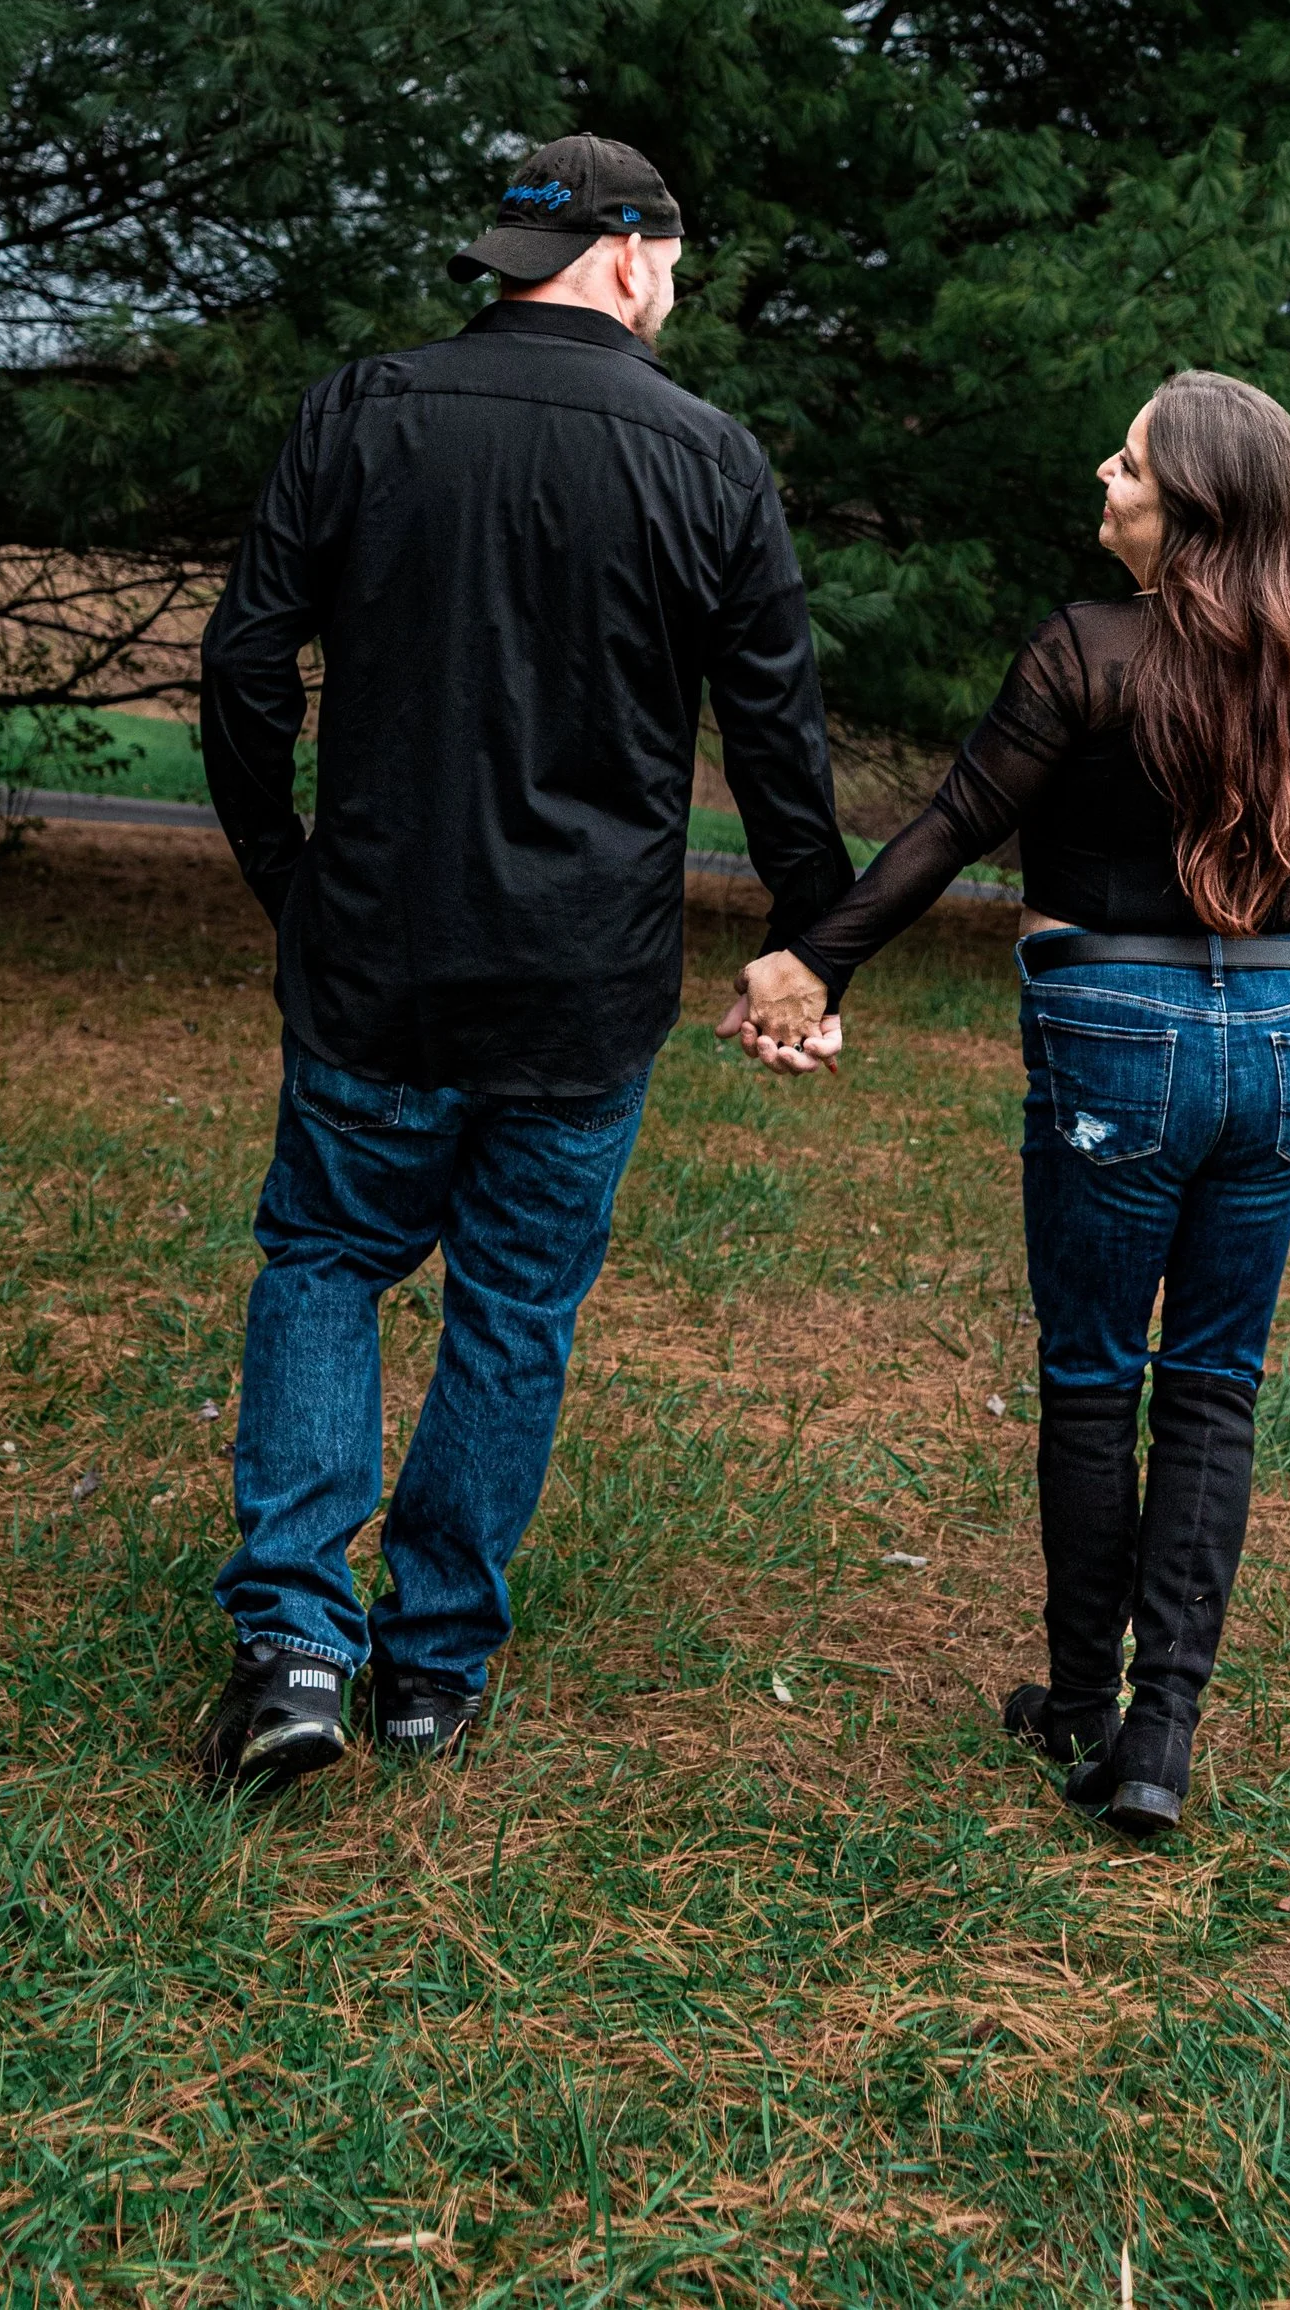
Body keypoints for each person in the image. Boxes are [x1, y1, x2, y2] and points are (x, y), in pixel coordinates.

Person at [196, 133, 855, 1793]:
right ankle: (426, 1670)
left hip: (375, 951)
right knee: (512, 1304)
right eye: (677, 266)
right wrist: (807, 940)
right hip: (582, 978)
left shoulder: (363, 410)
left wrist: (292, 874)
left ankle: (292, 1643)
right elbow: (780, 735)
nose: (677, 293)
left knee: (330, 1260)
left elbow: (243, 666)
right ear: (628, 258)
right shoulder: (710, 458)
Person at [727, 369, 1290, 1836]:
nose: (1104, 474)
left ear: (1188, 507)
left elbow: (952, 824)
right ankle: (1159, 1737)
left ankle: (1082, 1698)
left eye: (1128, 462)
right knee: (1212, 1382)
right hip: (1282, 1038)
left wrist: (815, 964)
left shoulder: (1088, 649)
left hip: (1110, 1034)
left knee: (1091, 1371)